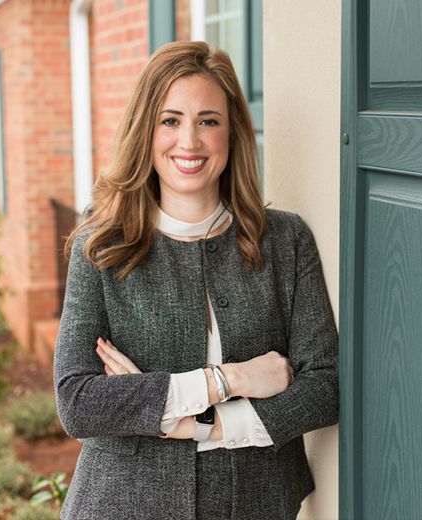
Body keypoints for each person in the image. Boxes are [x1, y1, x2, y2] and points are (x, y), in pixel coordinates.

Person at [54, 40, 338, 520]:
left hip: (258, 504)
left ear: (233, 133)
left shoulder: (285, 241)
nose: (189, 141)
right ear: (146, 131)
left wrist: (191, 423)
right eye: (170, 120)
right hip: (122, 505)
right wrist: (229, 380)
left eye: (209, 120)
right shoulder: (102, 244)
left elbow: (325, 387)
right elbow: (78, 401)